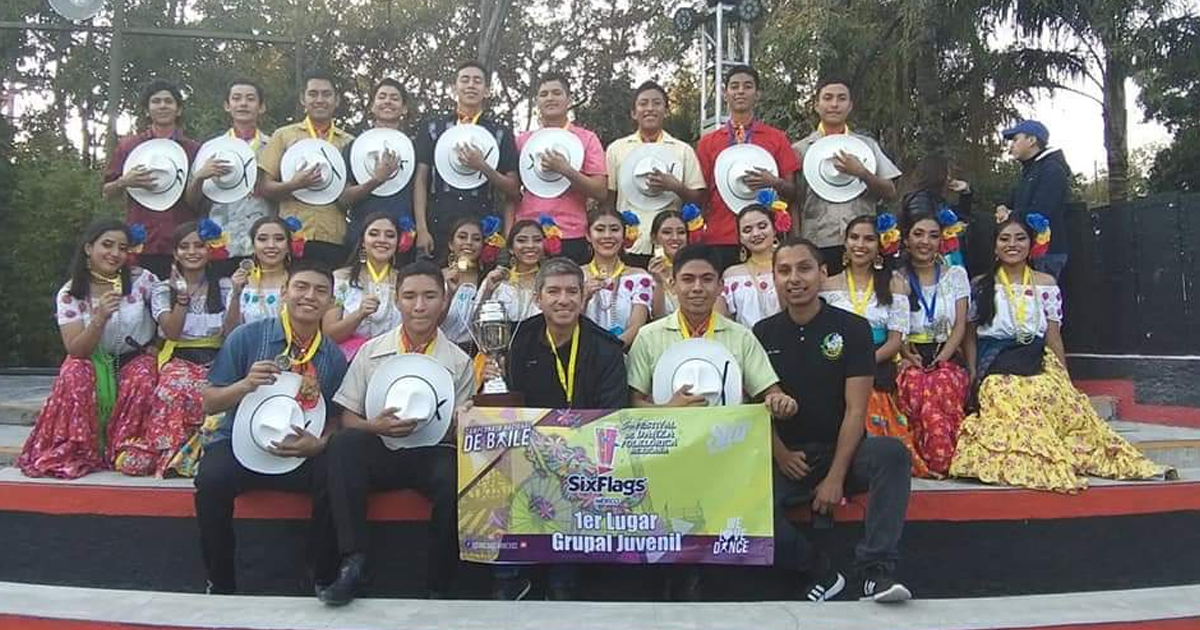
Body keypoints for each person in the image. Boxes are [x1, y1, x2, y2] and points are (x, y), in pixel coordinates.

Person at [626, 243, 798, 600]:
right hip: (665, 458)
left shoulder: (740, 336)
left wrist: (780, 402)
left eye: (706, 279)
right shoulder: (649, 336)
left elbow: (770, 391)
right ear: (672, 284)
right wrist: (670, 409)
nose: (697, 288)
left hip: (726, 457)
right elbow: (632, 403)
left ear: (721, 286)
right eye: (687, 279)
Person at [950, 216, 1165, 492]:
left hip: (1037, 358)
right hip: (996, 364)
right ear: (994, 246)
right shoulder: (980, 284)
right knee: (1012, 401)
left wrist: (1064, 377)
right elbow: (969, 336)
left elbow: (1053, 335)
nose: (1012, 244)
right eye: (1004, 239)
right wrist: (972, 373)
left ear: (1031, 244)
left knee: (1067, 408)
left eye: (1020, 238)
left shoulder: (1046, 283)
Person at [755, 238, 912, 603]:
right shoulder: (762, 333)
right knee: (740, 505)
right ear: (774, 278)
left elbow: (856, 410)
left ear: (823, 273)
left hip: (843, 452)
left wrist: (835, 478)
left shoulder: (853, 329)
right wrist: (780, 455)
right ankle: (821, 573)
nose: (795, 278)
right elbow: (757, 405)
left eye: (804, 268)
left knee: (891, 455)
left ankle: (876, 572)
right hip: (787, 459)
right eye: (784, 271)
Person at [316, 260, 474, 605]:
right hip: (381, 447)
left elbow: (458, 428)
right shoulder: (372, 351)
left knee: (454, 475)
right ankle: (353, 562)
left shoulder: (459, 360)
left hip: (431, 452)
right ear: (397, 301)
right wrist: (375, 426)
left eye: (430, 296)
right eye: (410, 296)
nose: (420, 306)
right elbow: (348, 416)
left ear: (444, 300)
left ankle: (439, 584)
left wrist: (461, 421)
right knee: (343, 445)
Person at [195, 259, 348, 595]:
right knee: (210, 480)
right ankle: (220, 581)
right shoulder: (247, 337)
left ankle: (321, 576)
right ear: (284, 292)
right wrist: (245, 385)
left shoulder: (332, 357)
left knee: (335, 473)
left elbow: (339, 418)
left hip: (299, 451)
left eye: (321, 291)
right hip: (237, 442)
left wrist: (319, 444)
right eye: (301, 287)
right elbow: (209, 401)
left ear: (331, 302)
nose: (310, 296)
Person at [486, 258, 629, 601]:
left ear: (583, 298)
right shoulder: (516, 341)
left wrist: (568, 447)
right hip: (526, 447)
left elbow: (612, 412)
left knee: (574, 476)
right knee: (496, 464)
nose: (563, 300)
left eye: (571, 292)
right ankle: (509, 577)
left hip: (582, 450)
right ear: (538, 298)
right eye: (553, 291)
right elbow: (506, 403)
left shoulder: (606, 348)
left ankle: (562, 580)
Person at [18, 220, 159, 479]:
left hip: (133, 358)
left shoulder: (143, 280)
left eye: (122, 248)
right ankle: (80, 447)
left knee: (144, 373)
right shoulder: (70, 294)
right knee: (74, 371)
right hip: (92, 359)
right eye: (107, 245)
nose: (115, 254)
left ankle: (125, 446)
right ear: (88, 248)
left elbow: (167, 316)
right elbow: (76, 349)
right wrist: (99, 318)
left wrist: (158, 347)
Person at [820, 216, 929, 477]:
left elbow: (895, 341)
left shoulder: (894, 284)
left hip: (876, 364)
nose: (861, 244)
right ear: (845, 243)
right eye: (854, 237)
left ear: (880, 244)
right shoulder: (827, 285)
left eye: (869, 238)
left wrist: (860, 365)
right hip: (834, 363)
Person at [119, 222, 230, 478]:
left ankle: (203, 455)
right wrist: (181, 297)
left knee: (216, 394)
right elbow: (171, 332)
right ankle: (171, 456)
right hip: (179, 356)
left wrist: (235, 295)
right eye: (184, 246)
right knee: (172, 391)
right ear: (176, 253)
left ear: (209, 249)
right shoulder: (162, 289)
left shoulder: (224, 286)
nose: (192, 252)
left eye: (199, 246)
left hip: (219, 357)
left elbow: (231, 330)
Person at [791, 78, 901, 275]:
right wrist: (798, 243)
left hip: (862, 243)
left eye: (841, 98)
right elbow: (794, 200)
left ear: (850, 106)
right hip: (817, 242)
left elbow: (891, 192)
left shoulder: (867, 146)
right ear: (816, 105)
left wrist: (862, 173)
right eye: (828, 98)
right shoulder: (800, 150)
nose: (834, 104)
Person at [414, 61, 520, 263]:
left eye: (477, 81)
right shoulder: (432, 128)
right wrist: (421, 229)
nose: (471, 85)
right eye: (465, 80)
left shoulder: (500, 133)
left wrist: (482, 166)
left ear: (487, 90)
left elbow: (513, 189)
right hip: (437, 220)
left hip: (481, 225)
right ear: (454, 88)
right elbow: (420, 180)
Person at [696, 65, 799, 271]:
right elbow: (701, 194)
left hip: (765, 236)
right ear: (725, 94)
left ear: (757, 94)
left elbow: (793, 191)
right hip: (721, 235)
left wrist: (774, 182)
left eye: (747, 86)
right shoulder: (708, 142)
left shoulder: (776, 138)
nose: (741, 91)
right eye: (734, 86)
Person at [102, 79, 202, 279]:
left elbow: (202, 200)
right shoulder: (128, 146)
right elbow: (106, 193)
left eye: (168, 101)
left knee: (180, 301)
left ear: (178, 109)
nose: (163, 105)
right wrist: (124, 181)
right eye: (156, 101)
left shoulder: (194, 150)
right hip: (141, 242)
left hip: (184, 244)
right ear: (147, 110)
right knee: (138, 303)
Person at [896, 212, 970, 477]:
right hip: (909, 354)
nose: (925, 241)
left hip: (947, 353)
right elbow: (896, 328)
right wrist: (905, 352)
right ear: (906, 239)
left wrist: (942, 358)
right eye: (918, 234)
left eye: (933, 235)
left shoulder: (955, 275)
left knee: (940, 384)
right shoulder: (897, 278)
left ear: (942, 241)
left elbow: (960, 325)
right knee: (915, 385)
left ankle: (943, 456)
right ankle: (928, 459)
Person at [257, 70, 355, 269]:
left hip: (334, 236)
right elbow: (265, 188)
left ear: (336, 100)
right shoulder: (283, 136)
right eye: (313, 94)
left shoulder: (349, 142)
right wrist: (295, 184)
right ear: (303, 98)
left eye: (326, 94)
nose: (319, 100)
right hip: (291, 236)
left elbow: (350, 195)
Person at [605, 80, 706, 268]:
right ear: (634, 113)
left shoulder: (682, 150)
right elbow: (609, 197)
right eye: (643, 104)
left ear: (666, 110)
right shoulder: (616, 149)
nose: (650, 109)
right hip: (630, 243)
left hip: (671, 245)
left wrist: (675, 186)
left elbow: (699, 197)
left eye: (657, 103)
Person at [510, 73, 607, 264]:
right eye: (544, 94)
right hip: (528, 234)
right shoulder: (522, 141)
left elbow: (601, 191)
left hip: (571, 233)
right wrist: (509, 232)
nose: (550, 98)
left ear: (569, 99)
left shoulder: (586, 139)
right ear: (537, 101)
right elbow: (511, 193)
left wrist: (566, 170)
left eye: (556, 93)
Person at [185, 78, 274, 278]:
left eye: (250, 99)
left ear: (261, 107)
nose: (243, 103)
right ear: (227, 105)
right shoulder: (211, 148)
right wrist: (200, 176)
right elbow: (191, 201)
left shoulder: (273, 147)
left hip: (264, 242)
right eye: (237, 98)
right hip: (220, 240)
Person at [338, 78, 416, 263]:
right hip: (361, 235)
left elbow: (421, 194)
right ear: (372, 106)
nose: (388, 101)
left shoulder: (415, 148)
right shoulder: (353, 147)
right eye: (382, 97)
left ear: (404, 108)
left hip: (403, 236)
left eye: (394, 98)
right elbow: (343, 199)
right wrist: (376, 180)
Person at [323, 212, 404, 360]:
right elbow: (329, 334)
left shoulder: (404, 282)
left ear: (398, 242)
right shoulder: (342, 281)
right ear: (362, 241)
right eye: (374, 234)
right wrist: (359, 314)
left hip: (393, 360)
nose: (382, 240)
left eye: (390, 235)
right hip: (348, 361)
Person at [996, 120, 1071, 280]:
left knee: (1039, 301)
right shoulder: (1029, 171)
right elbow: (1010, 201)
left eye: (1015, 140)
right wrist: (1002, 208)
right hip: (1026, 249)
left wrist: (1010, 215)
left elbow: (1041, 212)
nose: (1011, 147)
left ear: (1032, 141)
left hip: (1046, 253)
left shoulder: (1052, 169)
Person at [582, 208, 653, 347]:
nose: (607, 235)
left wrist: (610, 352)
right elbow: (567, 321)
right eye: (600, 229)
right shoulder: (576, 276)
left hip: (624, 354)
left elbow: (636, 326)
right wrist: (584, 297)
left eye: (614, 229)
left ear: (624, 234)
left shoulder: (640, 277)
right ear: (588, 235)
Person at [717, 204, 784, 328]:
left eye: (762, 226)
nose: (756, 234)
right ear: (740, 238)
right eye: (747, 230)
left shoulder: (789, 268)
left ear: (774, 230)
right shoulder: (731, 275)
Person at [223, 217, 294, 329]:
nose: (271, 245)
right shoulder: (242, 284)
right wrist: (236, 294)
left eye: (279, 239)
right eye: (262, 239)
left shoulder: (298, 283)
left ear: (289, 246)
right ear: (253, 246)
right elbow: (230, 333)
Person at [475, 220, 547, 326]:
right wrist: (488, 292)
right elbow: (476, 324)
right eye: (522, 240)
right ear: (511, 249)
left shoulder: (550, 282)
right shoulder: (496, 280)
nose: (531, 245)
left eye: (537, 240)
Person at [441, 217, 485, 351]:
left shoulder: (487, 280)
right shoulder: (436, 277)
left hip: (473, 353)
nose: (469, 243)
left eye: (476, 239)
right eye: (462, 237)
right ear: (451, 244)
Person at [648, 209, 688, 318]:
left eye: (681, 232)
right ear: (654, 238)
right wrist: (658, 282)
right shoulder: (645, 276)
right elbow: (658, 316)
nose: (675, 238)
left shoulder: (697, 270)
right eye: (667, 232)